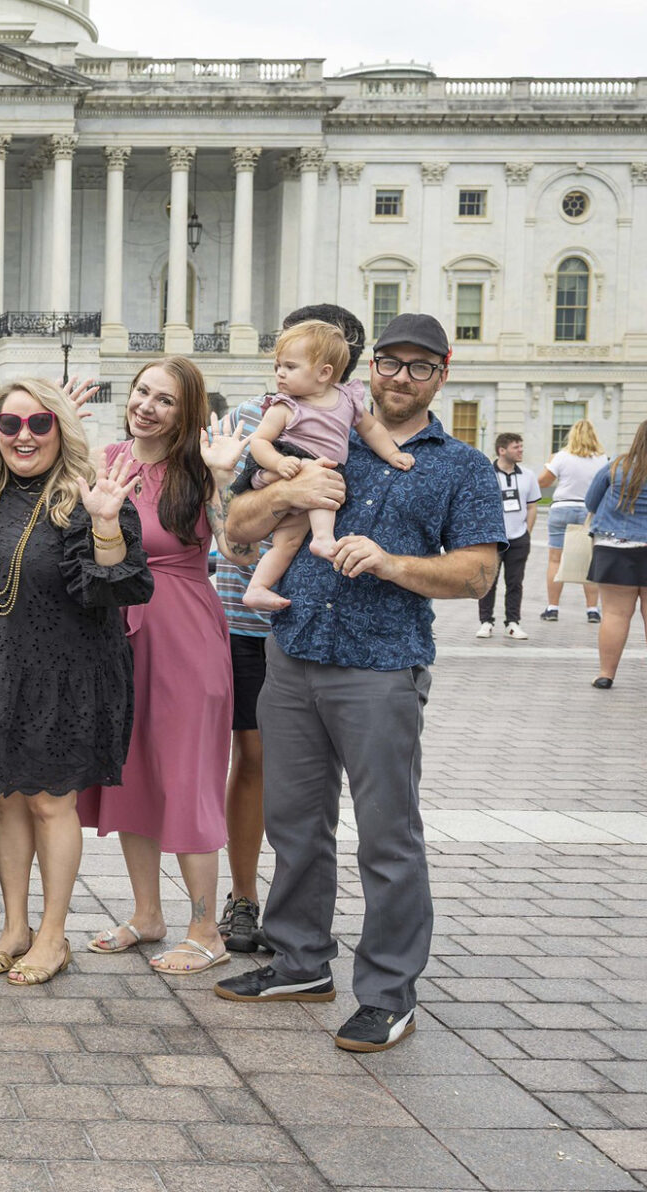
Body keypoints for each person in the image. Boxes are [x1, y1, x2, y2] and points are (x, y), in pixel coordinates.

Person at [216, 313, 502, 1054]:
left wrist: (392, 563)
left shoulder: (458, 466)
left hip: (381, 666)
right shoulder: (320, 427)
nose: (400, 377)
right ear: (365, 367)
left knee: (388, 836)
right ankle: (302, 962)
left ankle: (386, 993)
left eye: (419, 367)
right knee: (294, 823)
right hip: (294, 654)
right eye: (390, 362)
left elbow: (477, 572)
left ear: (443, 372)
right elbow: (236, 527)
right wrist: (290, 487)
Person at [0, 381, 152, 987]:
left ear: (60, 429)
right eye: (9, 424)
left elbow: (118, 588)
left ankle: (54, 935)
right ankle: (15, 926)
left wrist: (107, 526)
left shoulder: (87, 496)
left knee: (49, 802)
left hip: (64, 676)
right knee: (4, 798)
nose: (24, 436)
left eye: (39, 423)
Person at [79, 356, 253, 976]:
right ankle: (148, 914)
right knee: (131, 774)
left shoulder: (198, 471)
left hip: (183, 631)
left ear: (187, 413)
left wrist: (227, 479)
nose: (146, 406)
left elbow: (239, 549)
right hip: (117, 632)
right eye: (140, 392)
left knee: (187, 777)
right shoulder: (108, 458)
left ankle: (207, 928)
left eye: (165, 400)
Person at [210, 305, 366, 956]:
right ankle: (243, 896)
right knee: (255, 761)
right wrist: (281, 494)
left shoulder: (360, 418)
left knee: (313, 776)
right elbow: (230, 536)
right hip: (250, 620)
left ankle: (298, 909)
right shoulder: (255, 417)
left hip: (331, 618)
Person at [238, 321, 414, 613]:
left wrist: (393, 454)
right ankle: (322, 538)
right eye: (278, 366)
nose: (280, 373)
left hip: (317, 475)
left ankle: (257, 587)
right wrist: (279, 464)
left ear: (324, 373)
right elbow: (259, 443)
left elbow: (372, 430)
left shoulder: (347, 399)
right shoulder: (285, 406)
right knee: (323, 482)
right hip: (289, 462)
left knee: (289, 541)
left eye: (290, 366)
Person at [585, 419, 647, 690]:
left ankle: (605, 674)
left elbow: (590, 502)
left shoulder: (615, 466)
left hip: (614, 547)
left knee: (614, 614)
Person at [539, 419, 609, 623]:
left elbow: (543, 482)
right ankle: (592, 610)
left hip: (562, 507)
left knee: (555, 559)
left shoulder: (561, 456)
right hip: (588, 510)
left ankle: (552, 608)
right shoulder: (602, 459)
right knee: (589, 560)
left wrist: (549, 463)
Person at [477, 432, 541, 640]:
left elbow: (532, 507)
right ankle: (486, 622)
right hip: (493, 538)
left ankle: (512, 622)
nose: (521, 450)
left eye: (521, 446)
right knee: (488, 581)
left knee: (515, 582)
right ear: (502, 450)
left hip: (518, 537)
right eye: (516, 447)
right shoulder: (486, 473)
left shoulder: (528, 475)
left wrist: (526, 533)